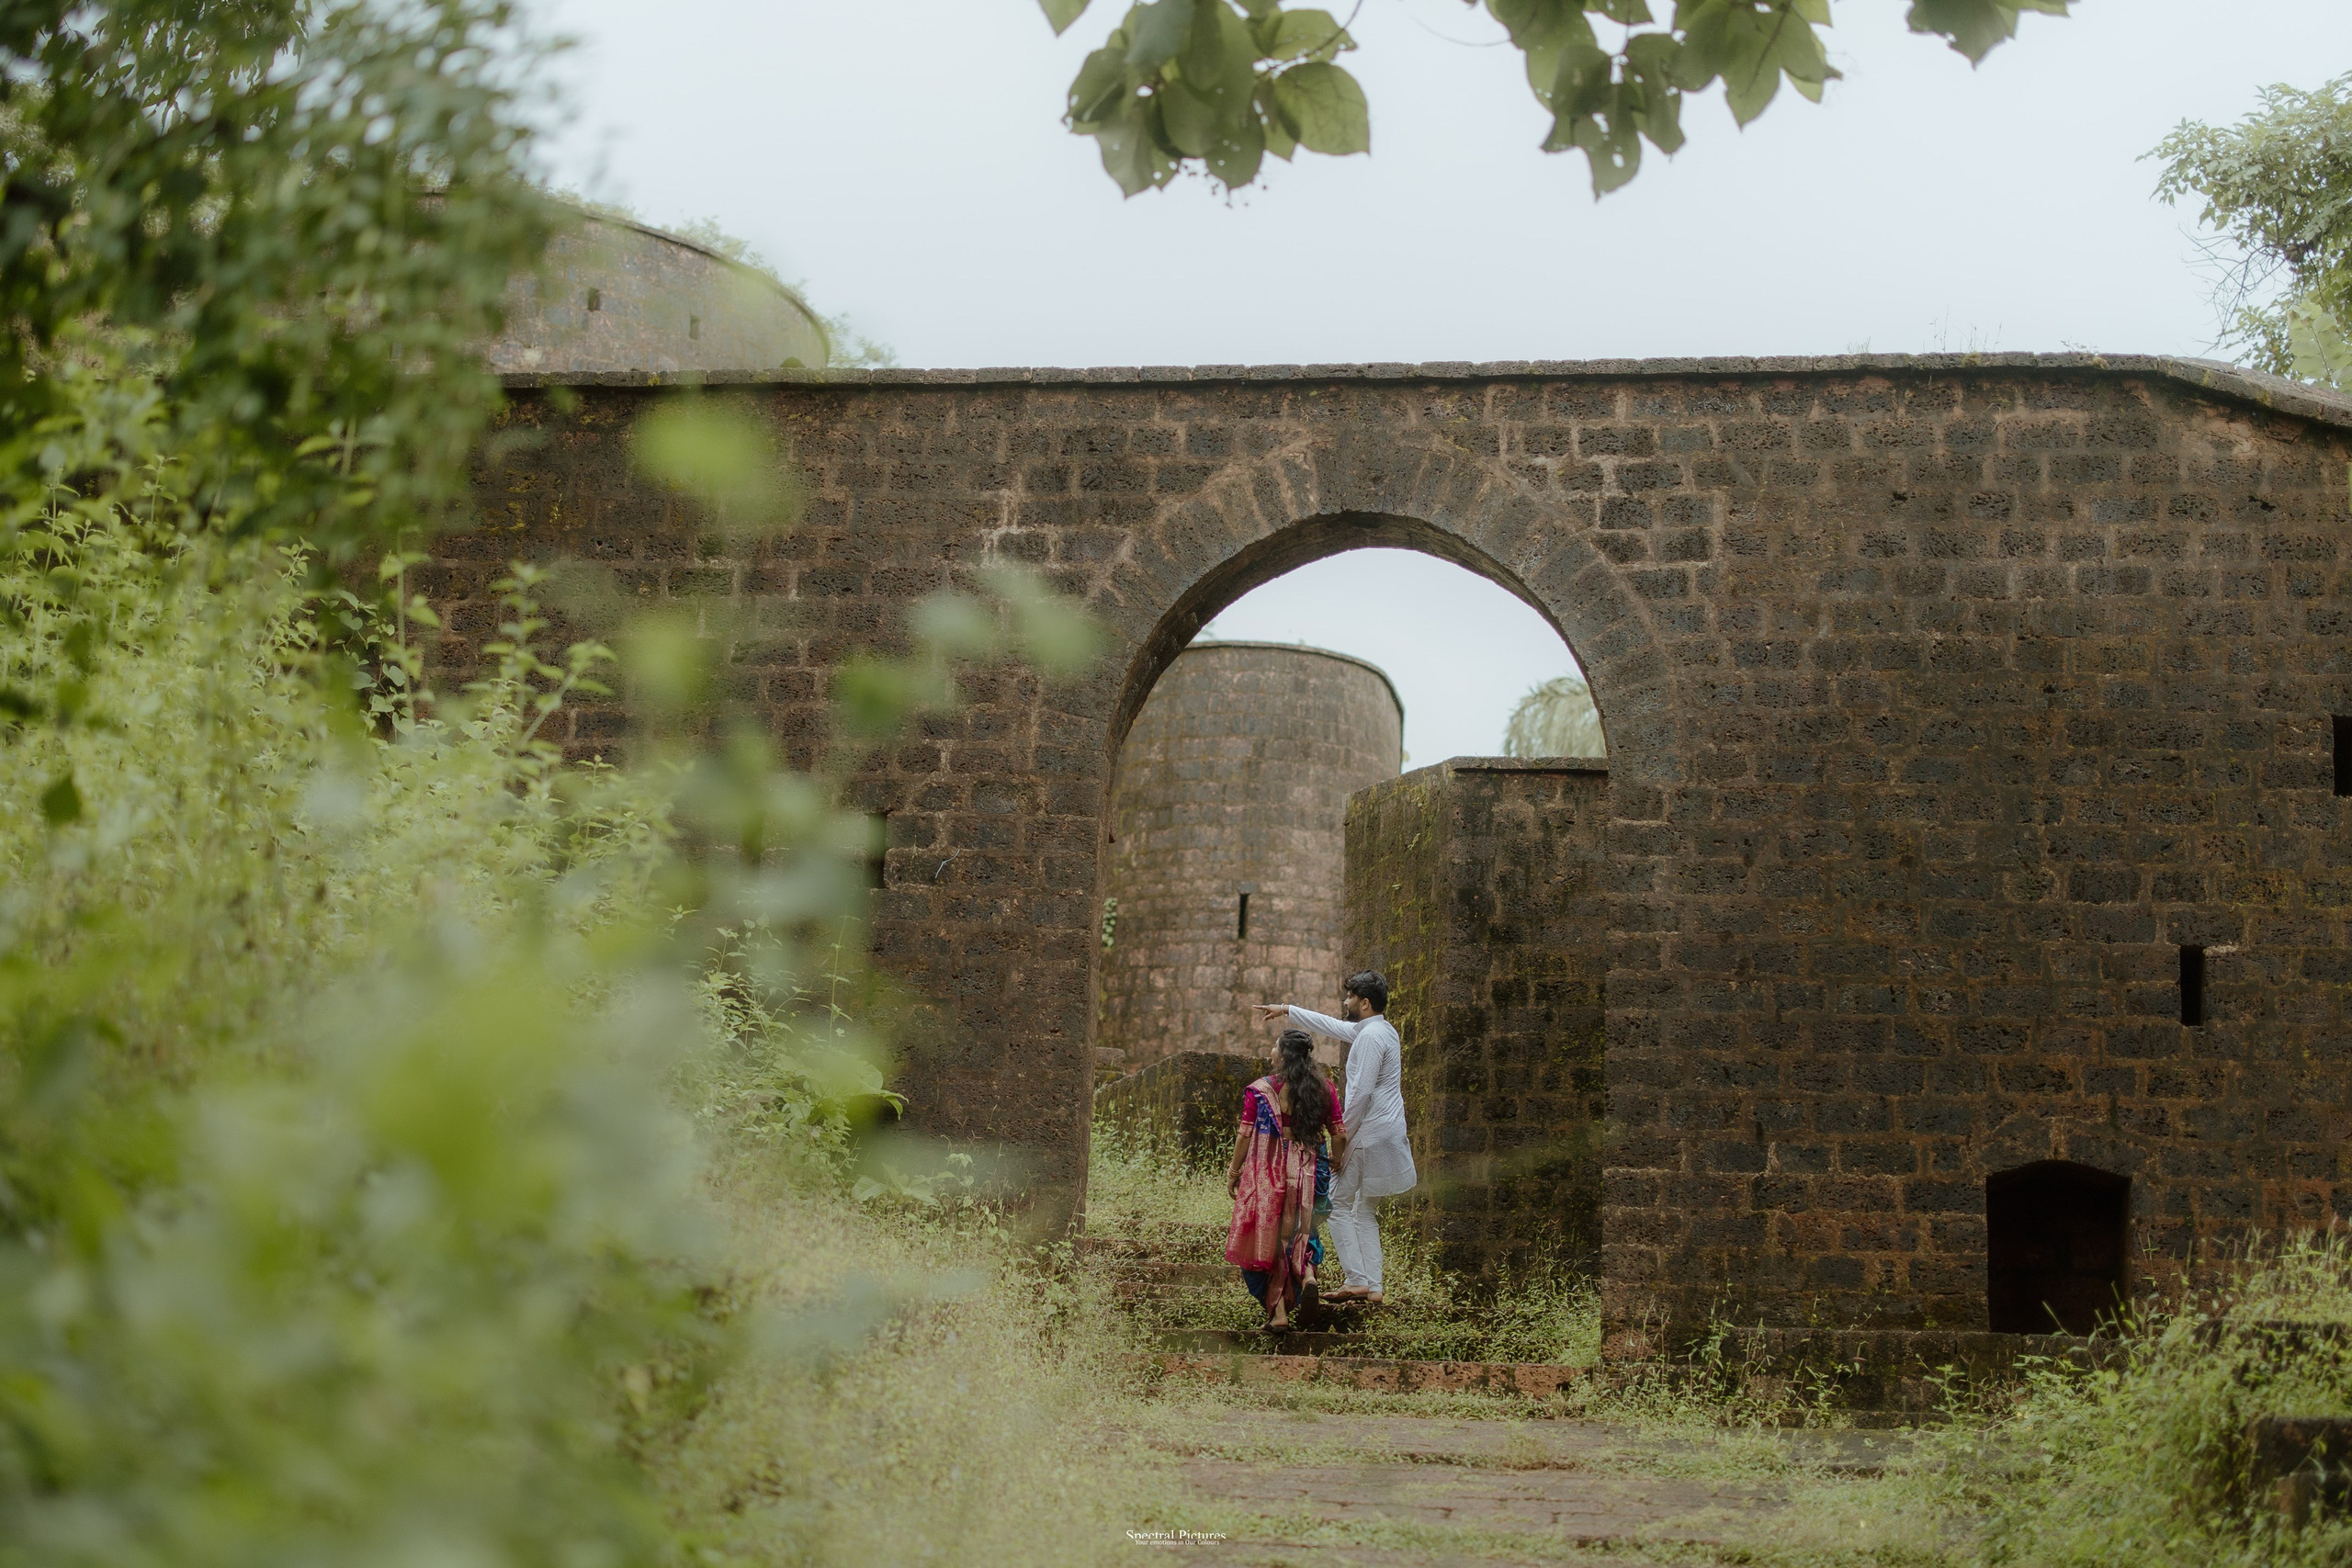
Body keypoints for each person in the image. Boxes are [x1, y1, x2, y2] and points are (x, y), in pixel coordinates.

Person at [1253, 972, 1413, 1303]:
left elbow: (1360, 1095)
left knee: (1336, 1205)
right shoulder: (1381, 1030)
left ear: (1365, 1003)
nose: (1345, 1002)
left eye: (1350, 997)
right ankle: (1375, 1287)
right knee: (1364, 1209)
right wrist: (1286, 1009)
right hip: (1388, 1131)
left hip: (1368, 1133)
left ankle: (1356, 1280)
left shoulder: (1369, 1039)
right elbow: (1332, 1026)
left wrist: (1340, 1139)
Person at [1223, 1028, 1341, 1333]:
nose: (1271, 1052)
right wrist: (1337, 1161)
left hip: (1269, 1174)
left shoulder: (1261, 1091)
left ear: (1284, 1055)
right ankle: (1308, 1276)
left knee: (1265, 1240)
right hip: (1310, 1171)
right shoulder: (1324, 1089)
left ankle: (1278, 1315)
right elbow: (1339, 1132)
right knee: (1303, 1232)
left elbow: (1245, 1134)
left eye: (1275, 1047)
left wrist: (1234, 1172)